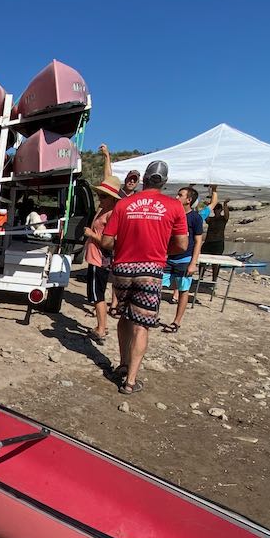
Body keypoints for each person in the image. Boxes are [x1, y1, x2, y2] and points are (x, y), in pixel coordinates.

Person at [100, 160, 188, 394]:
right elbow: (182, 244)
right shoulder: (175, 206)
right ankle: (130, 381)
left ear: (144, 179)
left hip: (123, 268)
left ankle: (122, 364)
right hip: (151, 270)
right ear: (165, 182)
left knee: (124, 317)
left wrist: (126, 244)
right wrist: (159, 248)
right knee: (142, 325)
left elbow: (107, 241)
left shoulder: (124, 204)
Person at [80, 174, 122, 344]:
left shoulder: (112, 214)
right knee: (96, 294)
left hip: (100, 259)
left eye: (104, 196)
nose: (100, 198)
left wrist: (92, 235)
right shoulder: (103, 210)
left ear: (112, 198)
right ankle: (101, 326)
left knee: (98, 295)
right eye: (99, 195)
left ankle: (101, 328)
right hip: (95, 257)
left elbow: (111, 243)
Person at [162, 185, 207, 334]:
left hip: (184, 259)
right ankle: (153, 315)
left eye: (180, 195)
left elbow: (198, 241)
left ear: (188, 200)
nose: (176, 197)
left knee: (183, 290)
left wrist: (193, 263)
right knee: (158, 286)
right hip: (169, 257)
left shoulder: (195, 218)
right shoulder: (173, 214)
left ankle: (176, 322)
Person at [201, 186, 229, 286]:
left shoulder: (223, 219)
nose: (216, 210)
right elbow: (204, 216)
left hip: (218, 242)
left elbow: (227, 214)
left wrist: (225, 204)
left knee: (216, 263)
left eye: (218, 208)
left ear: (220, 210)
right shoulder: (211, 219)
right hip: (208, 242)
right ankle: (200, 277)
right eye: (215, 209)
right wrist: (207, 206)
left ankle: (214, 280)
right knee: (202, 260)